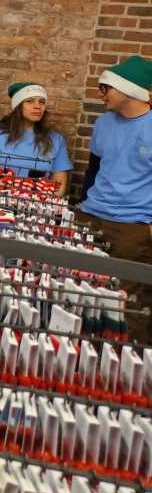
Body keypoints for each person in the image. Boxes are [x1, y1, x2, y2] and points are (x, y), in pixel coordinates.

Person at [79, 55, 152, 342]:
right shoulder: (103, 123)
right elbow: (93, 168)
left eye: (105, 88)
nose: (100, 94)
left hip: (132, 228)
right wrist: (82, 206)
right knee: (79, 294)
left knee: (130, 306)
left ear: (129, 89)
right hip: (90, 217)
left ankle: (127, 373)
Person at [0, 81, 72, 194]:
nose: (37, 106)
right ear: (18, 106)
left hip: (36, 205)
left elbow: (59, 183)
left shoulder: (55, 140)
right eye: (29, 101)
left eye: (42, 102)